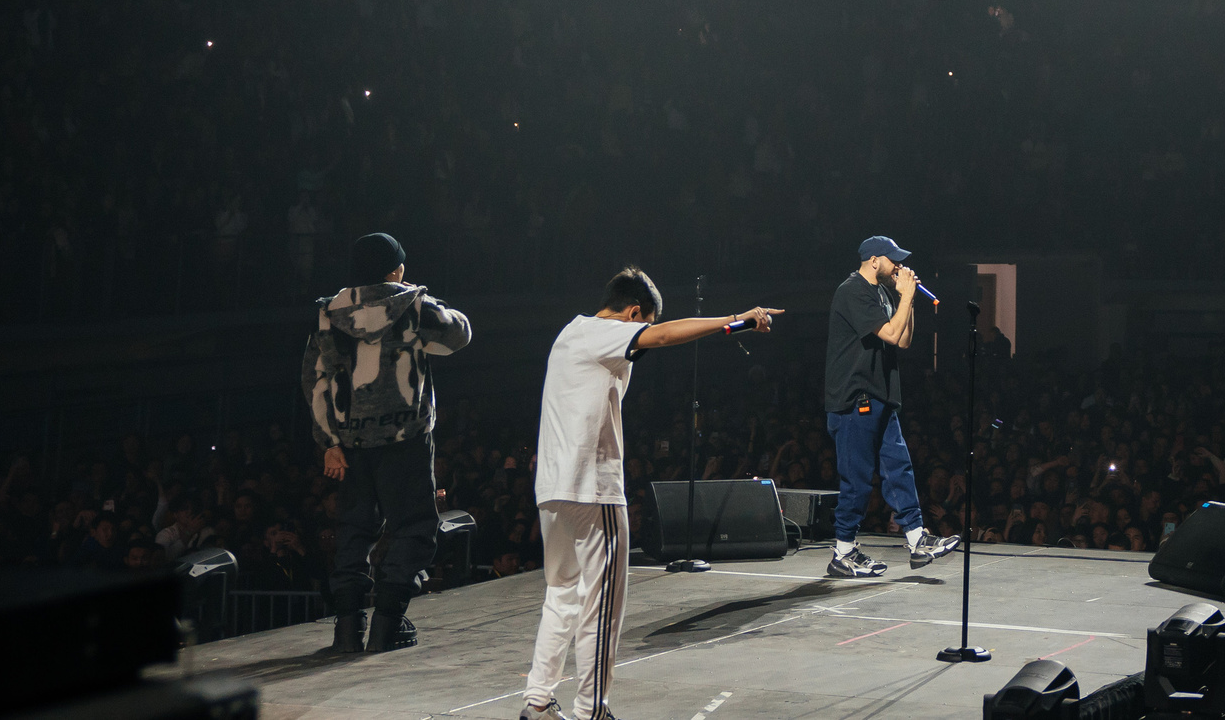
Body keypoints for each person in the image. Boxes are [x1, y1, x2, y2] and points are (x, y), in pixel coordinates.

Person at [521, 268, 780, 720]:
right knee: (602, 607)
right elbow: (660, 338)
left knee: (562, 593)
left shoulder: (571, 332)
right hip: (591, 489)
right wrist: (739, 319)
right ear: (634, 313)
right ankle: (591, 711)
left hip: (553, 488)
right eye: (642, 323)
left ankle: (538, 702)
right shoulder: (605, 331)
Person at [304, 231, 474, 655]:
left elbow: (314, 378)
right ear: (395, 269)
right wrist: (414, 302)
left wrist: (328, 442)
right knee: (414, 527)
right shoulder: (411, 305)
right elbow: (460, 334)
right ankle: (386, 624)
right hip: (405, 439)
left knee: (353, 531)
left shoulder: (329, 313)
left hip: (351, 443)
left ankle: (347, 629)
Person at [823, 235, 959, 577]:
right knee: (857, 480)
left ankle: (916, 539)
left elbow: (904, 338)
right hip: (855, 400)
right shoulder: (852, 291)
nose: (898, 266)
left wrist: (906, 301)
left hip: (881, 395)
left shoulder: (882, 292)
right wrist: (908, 296)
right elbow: (889, 334)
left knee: (899, 467)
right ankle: (843, 551)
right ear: (872, 260)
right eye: (892, 260)